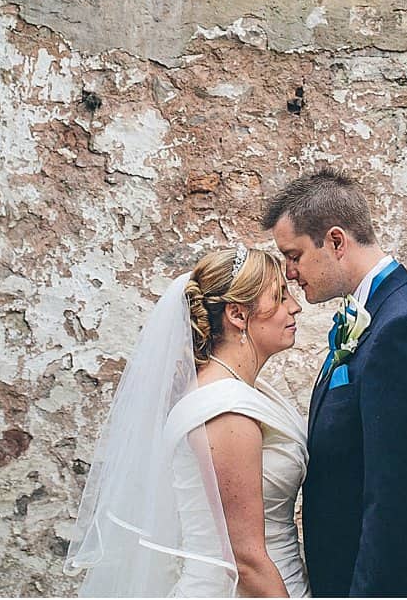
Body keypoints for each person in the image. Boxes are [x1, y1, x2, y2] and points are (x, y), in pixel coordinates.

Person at [264, 171, 407, 598]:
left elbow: (399, 505)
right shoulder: (376, 317)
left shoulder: (405, 329)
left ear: (336, 241)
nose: (290, 273)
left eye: (294, 255)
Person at [69, 246, 310, 597]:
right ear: (238, 315)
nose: (295, 306)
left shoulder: (244, 392)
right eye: (279, 296)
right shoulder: (225, 409)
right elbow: (245, 560)